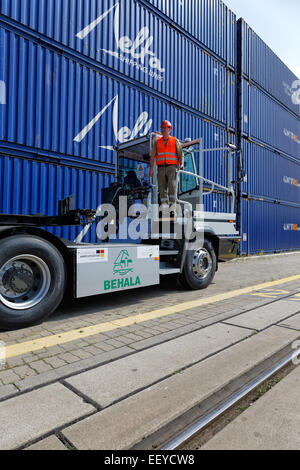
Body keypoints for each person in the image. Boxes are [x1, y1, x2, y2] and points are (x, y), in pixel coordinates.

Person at [150, 121, 184, 209]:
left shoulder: (174, 141)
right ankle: (164, 205)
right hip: (161, 168)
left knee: (172, 186)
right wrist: (151, 169)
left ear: (170, 129)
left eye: (166, 128)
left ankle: (173, 205)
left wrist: (182, 164)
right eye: (163, 128)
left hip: (172, 168)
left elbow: (181, 154)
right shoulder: (157, 142)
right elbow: (152, 156)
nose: (164, 130)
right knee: (161, 188)